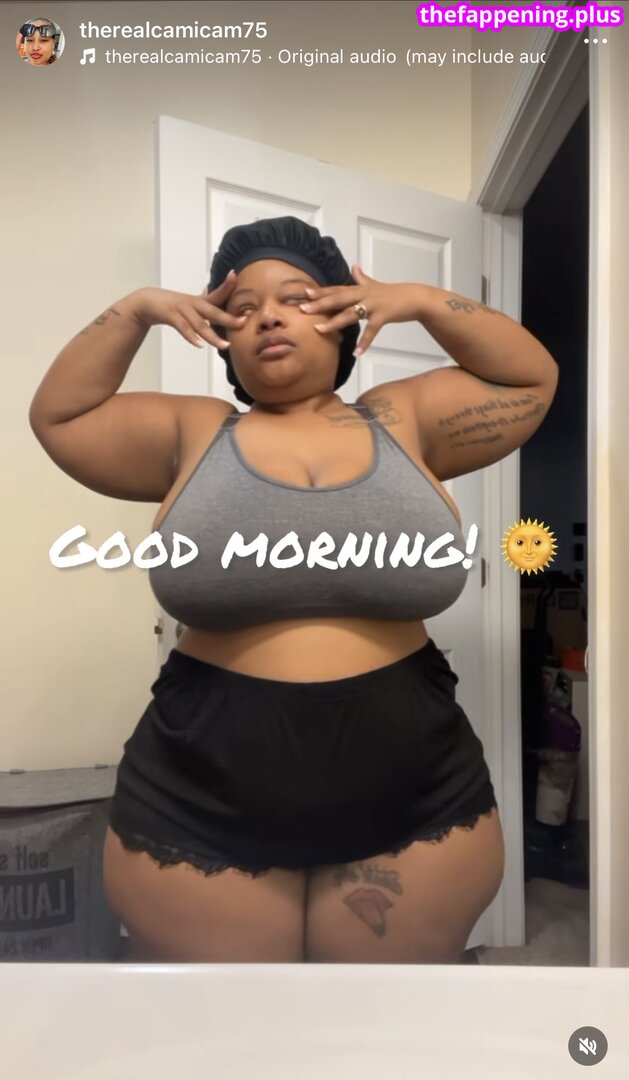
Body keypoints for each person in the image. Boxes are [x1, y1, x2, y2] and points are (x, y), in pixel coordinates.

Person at [29, 217, 559, 964]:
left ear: (342, 318)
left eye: (297, 298)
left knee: (377, 1018)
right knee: (237, 1023)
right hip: (201, 787)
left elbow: (529, 378)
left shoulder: (403, 419)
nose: (268, 317)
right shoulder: (194, 429)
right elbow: (60, 415)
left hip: (412, 785)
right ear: (223, 339)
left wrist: (421, 300)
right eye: (241, 309)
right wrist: (138, 308)